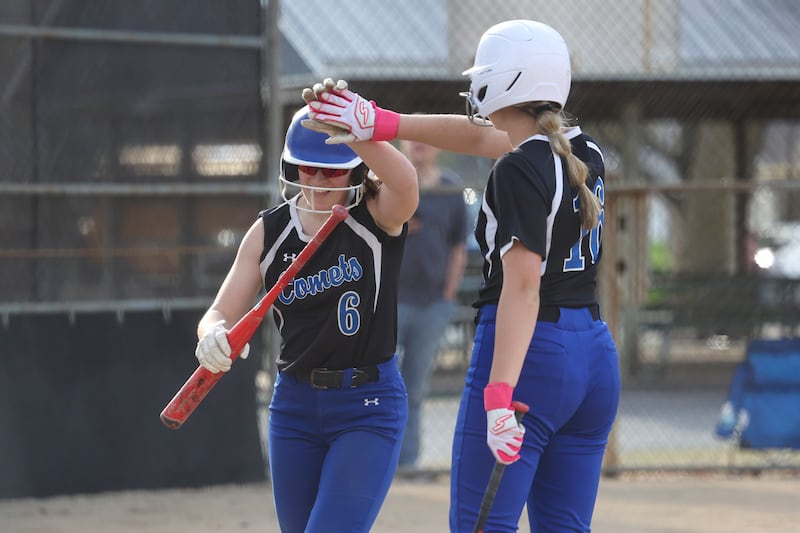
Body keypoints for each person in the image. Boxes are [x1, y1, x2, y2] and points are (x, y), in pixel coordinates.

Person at [302, 19, 621, 533]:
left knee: (481, 526)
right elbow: (485, 138)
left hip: (529, 354)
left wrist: (499, 393)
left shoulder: (520, 166)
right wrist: (383, 122)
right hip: (593, 356)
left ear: (510, 80)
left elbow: (523, 287)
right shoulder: (584, 151)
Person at [193, 105, 418, 533]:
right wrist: (213, 334)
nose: (316, 182)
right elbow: (219, 311)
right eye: (307, 169)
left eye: (332, 172)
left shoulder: (377, 215)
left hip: (366, 403)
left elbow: (406, 182)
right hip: (294, 407)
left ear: (354, 170)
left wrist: (355, 129)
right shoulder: (269, 230)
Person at [395, 139, 468, 473]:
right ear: (401, 144)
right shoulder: (391, 182)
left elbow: (458, 246)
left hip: (432, 305)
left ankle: (408, 461)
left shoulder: (452, 189)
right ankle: (379, 459)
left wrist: (448, 294)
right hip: (391, 303)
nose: (419, 146)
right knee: (379, 382)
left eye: (426, 140)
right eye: (413, 140)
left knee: (414, 385)